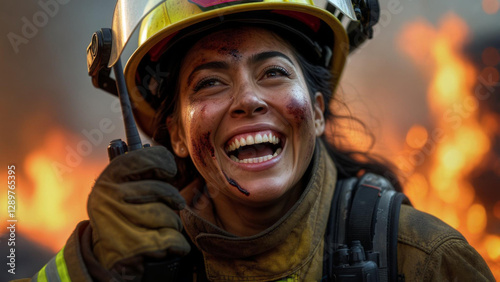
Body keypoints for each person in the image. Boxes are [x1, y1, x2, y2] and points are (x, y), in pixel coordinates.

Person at [23, 0, 494, 281]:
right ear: (178, 136)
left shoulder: (424, 261)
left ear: (316, 112)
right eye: (209, 83)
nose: (247, 99)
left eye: (272, 72)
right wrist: (89, 266)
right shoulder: (129, 262)